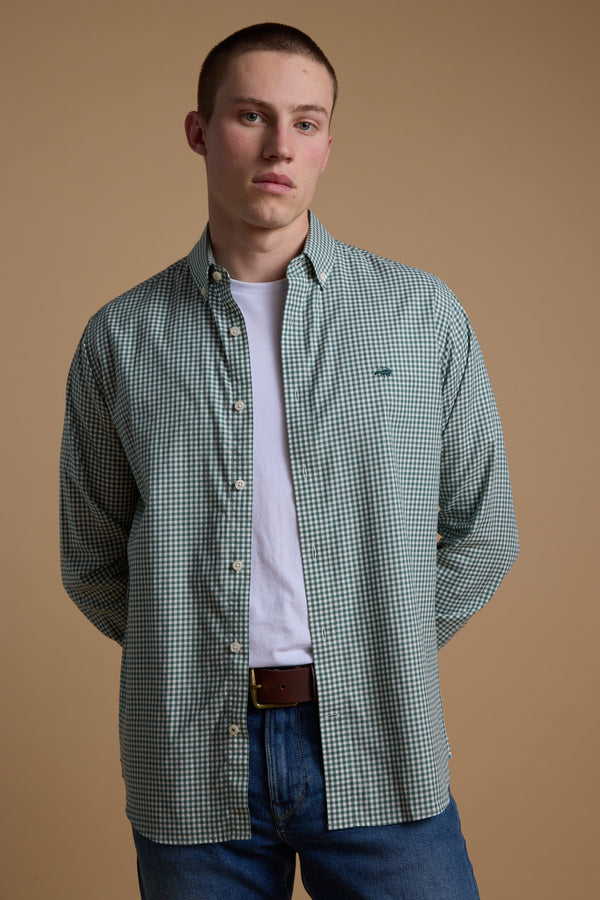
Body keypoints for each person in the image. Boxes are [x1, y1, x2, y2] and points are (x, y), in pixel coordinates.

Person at [60, 22, 519, 900]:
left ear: (329, 144)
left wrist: (379, 650)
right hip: (189, 762)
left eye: (306, 123)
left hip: (382, 744)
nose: (280, 146)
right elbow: (91, 560)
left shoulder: (421, 318)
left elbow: (483, 530)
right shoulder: (121, 338)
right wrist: (186, 652)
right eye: (250, 115)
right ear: (200, 131)